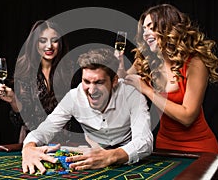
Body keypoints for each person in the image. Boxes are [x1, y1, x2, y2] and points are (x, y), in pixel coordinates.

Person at [21, 47, 153, 174]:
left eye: (99, 83)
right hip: (92, 152)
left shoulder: (131, 94)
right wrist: (28, 148)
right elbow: (45, 129)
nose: (91, 90)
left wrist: (110, 156)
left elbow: (144, 141)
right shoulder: (74, 97)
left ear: (114, 81)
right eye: (86, 81)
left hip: (127, 156)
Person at [118, 3, 218, 154]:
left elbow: (187, 117)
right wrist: (120, 67)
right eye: (144, 29)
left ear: (167, 27)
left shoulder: (195, 62)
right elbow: (123, 82)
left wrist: (147, 90)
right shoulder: (147, 60)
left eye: (151, 27)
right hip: (164, 145)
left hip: (199, 146)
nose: (145, 34)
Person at [0, 20, 82, 144]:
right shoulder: (25, 71)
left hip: (66, 141)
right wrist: (13, 100)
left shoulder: (70, 69)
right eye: (43, 41)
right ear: (35, 44)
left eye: (55, 40)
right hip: (34, 142)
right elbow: (23, 119)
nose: (49, 46)